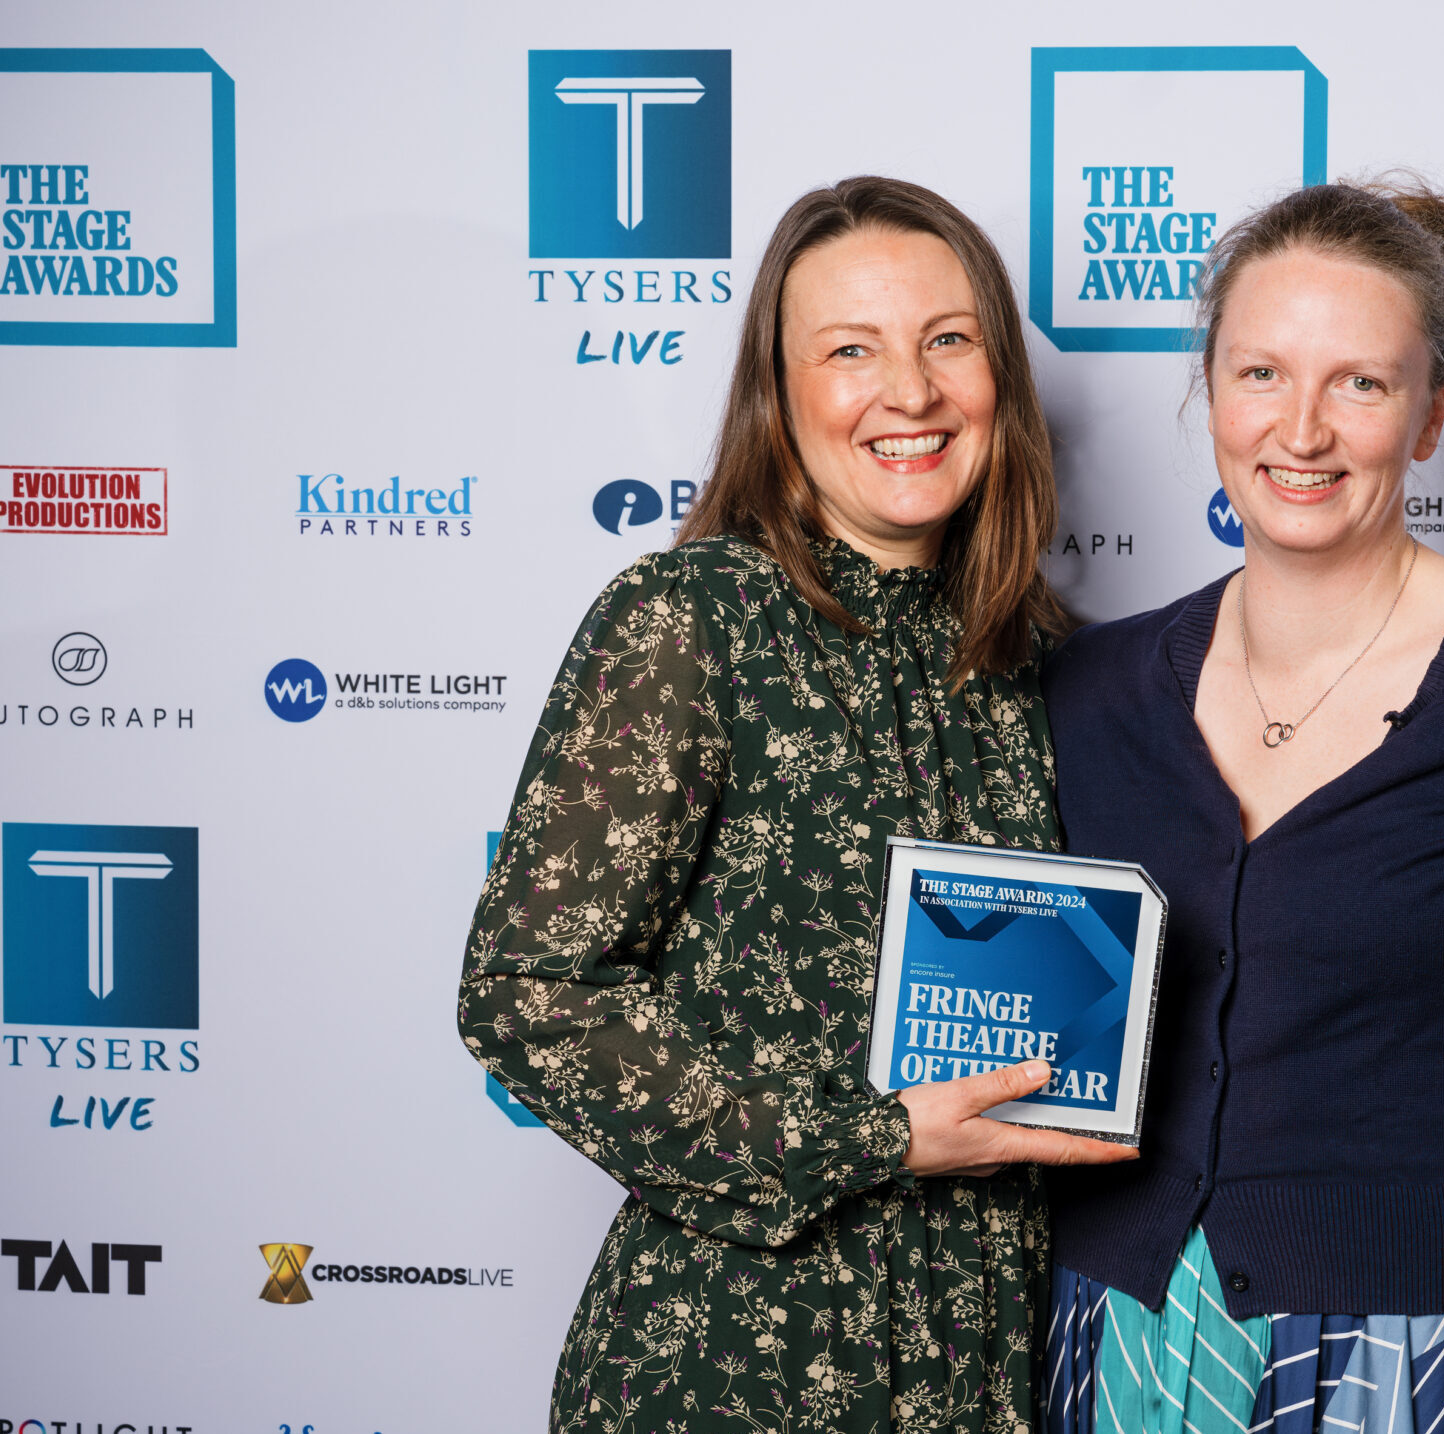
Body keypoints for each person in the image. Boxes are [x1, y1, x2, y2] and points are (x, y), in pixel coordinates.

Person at [459, 175, 1135, 1434]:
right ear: (781, 393)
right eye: (851, 351)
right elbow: (523, 991)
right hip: (733, 1360)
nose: (912, 393)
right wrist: (862, 1141)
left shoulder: (1046, 665)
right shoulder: (689, 621)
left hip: (982, 1360)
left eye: (949, 340)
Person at [1039, 178, 1444, 1434]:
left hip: (1417, 1364)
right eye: (1262, 375)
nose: (1303, 429)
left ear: (1432, 413)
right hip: (1112, 1344)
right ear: (1209, 393)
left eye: (1361, 383)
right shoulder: (1094, 688)